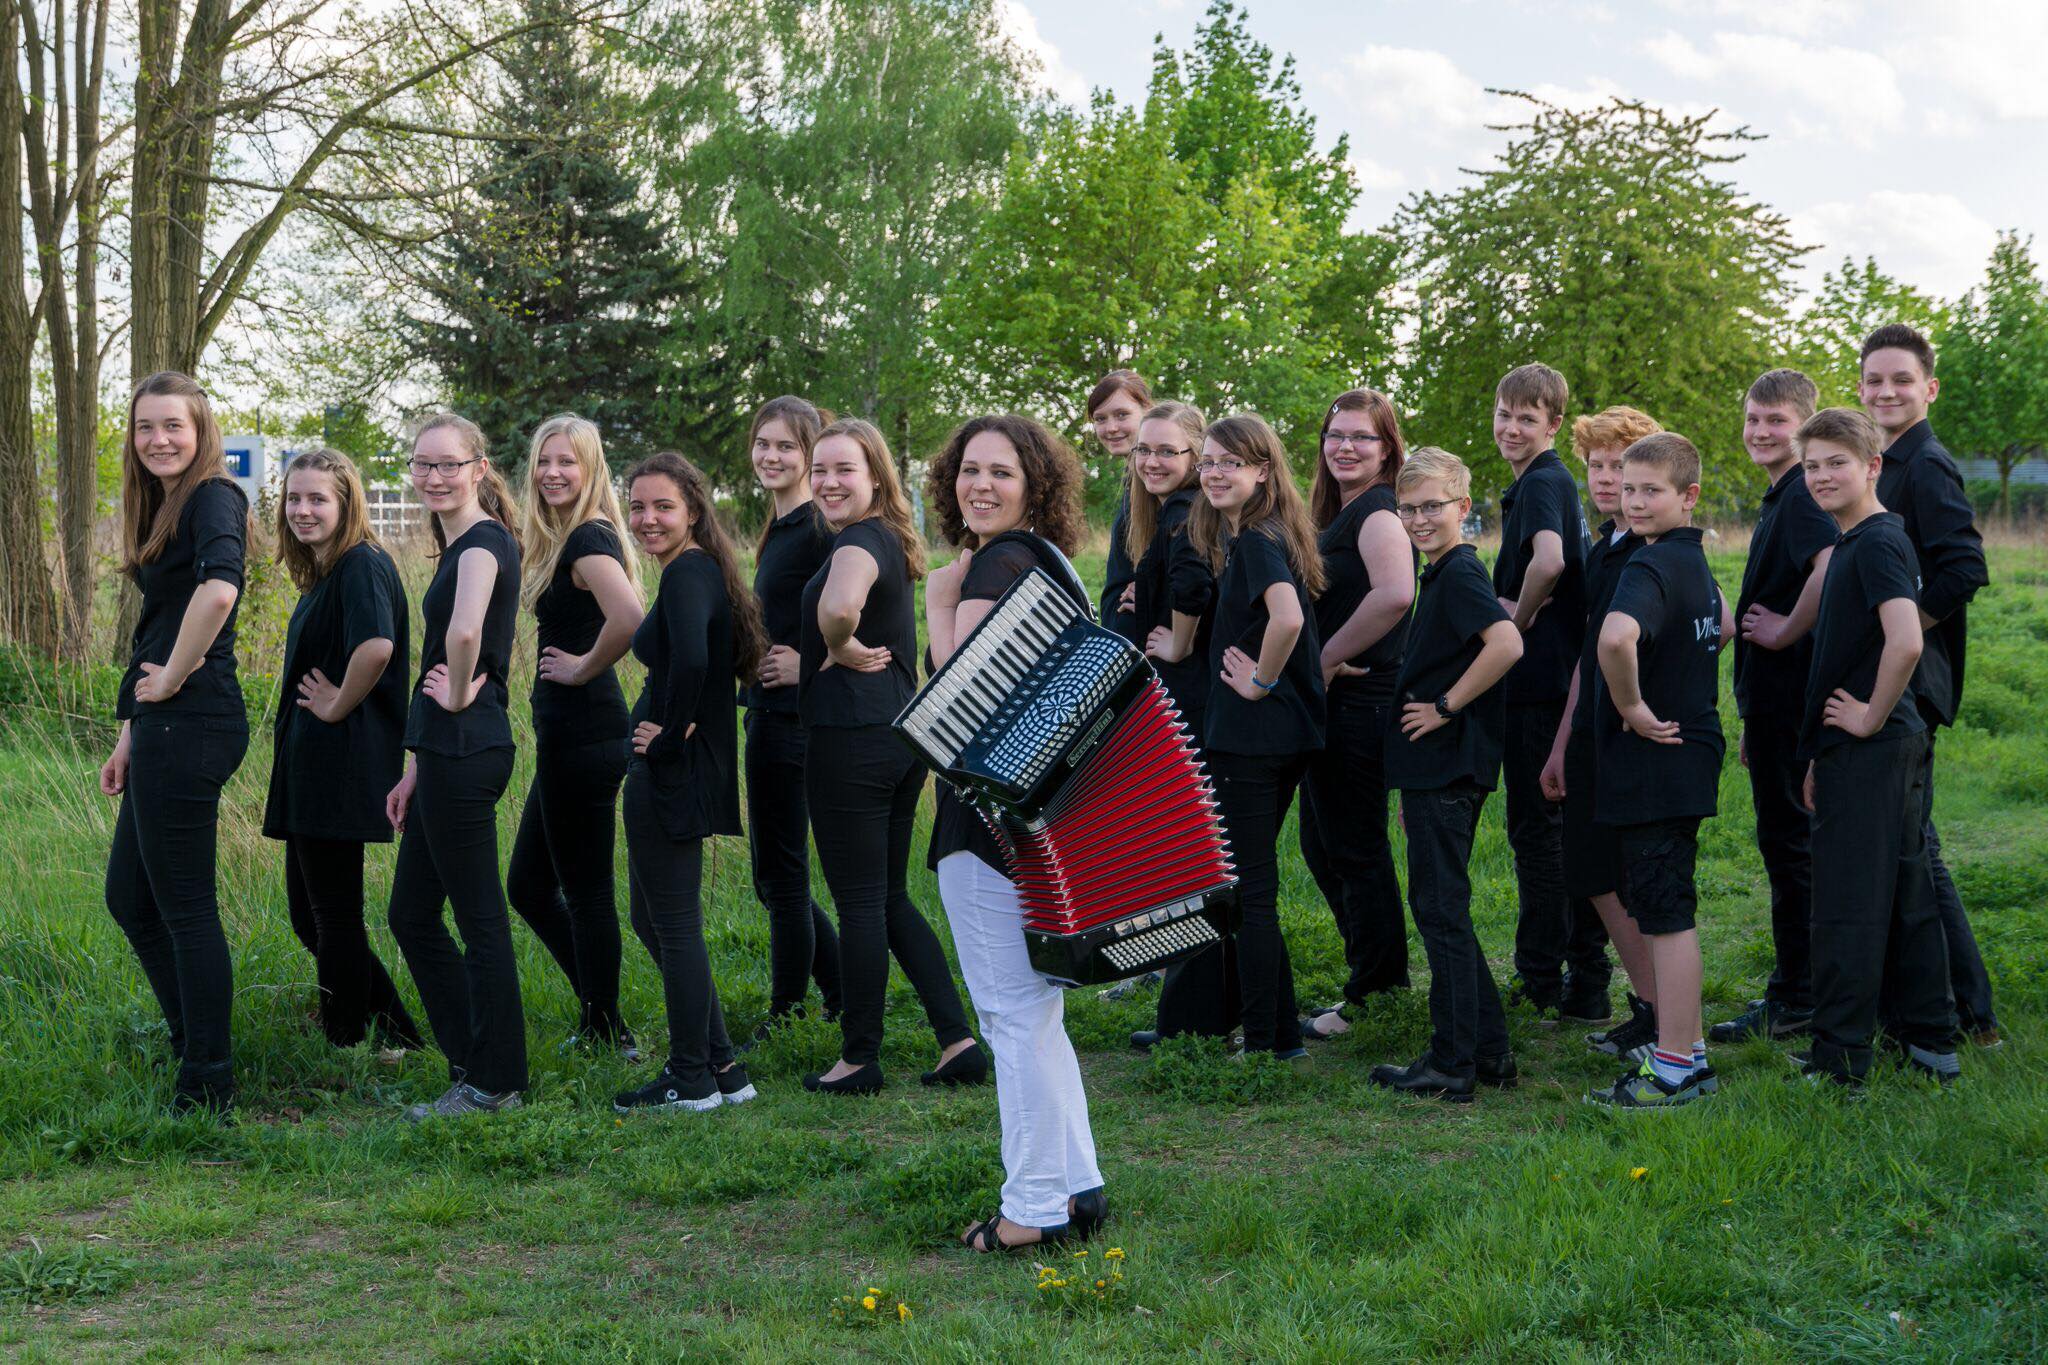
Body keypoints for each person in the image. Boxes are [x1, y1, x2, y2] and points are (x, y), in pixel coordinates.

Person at [923, 414, 1107, 1253]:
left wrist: (935, 600)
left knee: (1010, 1015)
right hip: (1037, 821)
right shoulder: (1053, 564)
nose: (981, 485)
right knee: (1037, 1014)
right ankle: (1075, 1185)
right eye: (969, 469)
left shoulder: (996, 565)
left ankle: (1033, 1207)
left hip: (986, 822)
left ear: (1034, 483)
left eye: (1001, 471)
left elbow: (961, 707)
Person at [798, 418, 980, 1095]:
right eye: (820, 469)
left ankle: (860, 1056)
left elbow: (841, 606)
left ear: (875, 476)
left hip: (849, 738)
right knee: (890, 897)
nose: (827, 481)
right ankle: (956, 1037)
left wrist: (836, 643)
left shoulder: (857, 541)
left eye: (844, 468)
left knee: (859, 906)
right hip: (899, 736)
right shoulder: (890, 538)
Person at [1790, 407, 1958, 1087]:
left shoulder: (1879, 540)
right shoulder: (1862, 539)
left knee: (1847, 902)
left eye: (1837, 461)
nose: (1823, 475)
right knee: (1906, 890)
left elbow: (1907, 638)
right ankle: (1927, 1041)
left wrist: (1864, 718)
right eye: (1812, 465)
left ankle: (1840, 1057)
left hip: (1877, 747)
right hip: (1884, 746)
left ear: (1872, 466)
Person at [101, 372, 253, 1114]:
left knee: (185, 907)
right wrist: (131, 725)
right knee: (130, 896)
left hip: (194, 721)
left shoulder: (214, 495)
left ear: (201, 432)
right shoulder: (166, 504)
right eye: (144, 427)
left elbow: (219, 592)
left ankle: (209, 1080)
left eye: (174, 426)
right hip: (161, 726)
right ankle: (192, 1039)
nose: (158, 439)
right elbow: (157, 627)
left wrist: (171, 681)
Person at [1856, 324, 1999, 1049]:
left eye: (1901, 380)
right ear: (1859, 387)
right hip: (1894, 676)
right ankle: (1942, 1004)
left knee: (1917, 851)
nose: (1887, 391)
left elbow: (1965, 569)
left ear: (1928, 388)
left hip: (1915, 679)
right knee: (1912, 845)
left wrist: (1898, 627)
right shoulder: (1879, 462)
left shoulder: (1927, 465)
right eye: (1875, 380)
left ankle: (1970, 1012)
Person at [611, 453, 768, 1113]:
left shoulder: (686, 574)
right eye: (638, 506)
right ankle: (723, 1065)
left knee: (672, 923)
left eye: (662, 507)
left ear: (694, 509)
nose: (647, 519)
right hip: (683, 767)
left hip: (673, 770)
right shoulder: (700, 570)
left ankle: (688, 1077)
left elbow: (699, 662)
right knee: (656, 915)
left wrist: (669, 734)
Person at [385, 413, 529, 1122]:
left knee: (477, 919)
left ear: (479, 467)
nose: (435, 477)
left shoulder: (480, 541)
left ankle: (494, 1081)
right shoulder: (460, 544)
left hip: (468, 747)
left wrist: (465, 684)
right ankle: (474, 1061)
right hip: (445, 754)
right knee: (410, 911)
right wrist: (416, 764)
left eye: (449, 464)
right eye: (423, 465)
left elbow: (465, 631)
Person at [1369, 448, 1522, 1101]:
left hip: (1450, 760)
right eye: (1408, 507)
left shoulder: (1459, 572)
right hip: (1434, 769)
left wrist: (1444, 705)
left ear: (1463, 507)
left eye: (1433, 505)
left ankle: (1452, 1060)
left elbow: (1507, 643)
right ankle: (1489, 1051)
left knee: (1440, 909)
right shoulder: (1442, 571)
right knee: (1442, 905)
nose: (1420, 517)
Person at [262, 447, 422, 1055]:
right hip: (314, 765)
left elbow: (377, 647)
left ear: (347, 502)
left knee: (331, 916)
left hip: (340, 761)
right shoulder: (331, 569)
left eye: (317, 499)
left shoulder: (360, 564)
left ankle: (346, 1041)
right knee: (314, 918)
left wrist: (335, 704)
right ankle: (397, 1031)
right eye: (294, 498)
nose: (302, 510)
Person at [1585, 433, 1728, 1110]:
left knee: (1667, 915)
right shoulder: (1693, 559)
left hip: (1657, 761)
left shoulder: (1647, 568)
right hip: (1691, 751)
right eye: (1628, 486)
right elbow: (1723, 625)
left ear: (1688, 495)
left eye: (1651, 489)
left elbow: (1615, 637)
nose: (1634, 499)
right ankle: (1687, 1047)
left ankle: (1676, 1067)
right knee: (1668, 906)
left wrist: (1633, 703)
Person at [1185, 414, 1327, 1063]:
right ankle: (1286, 1037)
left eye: (1230, 463)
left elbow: (1288, 618)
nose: (1215, 472)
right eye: (1209, 461)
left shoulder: (1258, 542)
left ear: (1263, 471)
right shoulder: (1260, 534)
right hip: (1276, 736)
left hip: (1253, 737)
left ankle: (1266, 1043)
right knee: (1252, 882)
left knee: (1251, 890)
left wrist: (1260, 682)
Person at [506, 414, 644, 1057]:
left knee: (585, 890)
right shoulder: (565, 538)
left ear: (591, 472)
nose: (553, 472)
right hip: (570, 738)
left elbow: (630, 618)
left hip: (586, 735)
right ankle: (601, 1013)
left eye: (568, 462)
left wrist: (585, 665)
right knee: (529, 885)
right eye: (544, 461)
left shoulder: (589, 537)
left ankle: (605, 1028)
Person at [1712, 371, 1839, 1046]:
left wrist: (1787, 628)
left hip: (1794, 705)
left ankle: (1799, 995)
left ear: (1806, 426)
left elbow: (1828, 567)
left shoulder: (1802, 497)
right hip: (1773, 709)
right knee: (1786, 847)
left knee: (1792, 851)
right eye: (1753, 418)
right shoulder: (1782, 494)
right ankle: (1799, 987)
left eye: (1777, 420)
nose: (1761, 431)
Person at [1536, 406, 1662, 1063]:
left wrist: (1640, 703)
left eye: (1623, 464)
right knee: (1592, 872)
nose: (1609, 477)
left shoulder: (1655, 544)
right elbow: (1589, 655)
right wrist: (1562, 742)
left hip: (1633, 741)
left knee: (1631, 878)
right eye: (1599, 465)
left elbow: (1717, 621)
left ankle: (1664, 1017)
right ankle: (1648, 1006)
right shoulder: (1605, 545)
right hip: (1588, 735)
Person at [1488, 363, 1608, 1024]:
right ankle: (1572, 974)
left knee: (1537, 835)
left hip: (1540, 684)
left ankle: (1539, 977)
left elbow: (1552, 562)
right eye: (1504, 415)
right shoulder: (1548, 480)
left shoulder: (1541, 482)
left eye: (1526, 418)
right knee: (1549, 831)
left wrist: (1515, 620)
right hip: (1553, 681)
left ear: (1553, 424)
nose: (1511, 428)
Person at [1297, 389, 1416, 1040]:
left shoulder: (1377, 510)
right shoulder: (1338, 510)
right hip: (1335, 702)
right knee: (1324, 841)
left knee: (1354, 845)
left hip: (1363, 699)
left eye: (1361, 437)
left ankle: (1377, 988)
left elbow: (1396, 594)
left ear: (1387, 449)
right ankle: (1374, 973)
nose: (1345, 446)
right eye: (1335, 434)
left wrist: (1323, 658)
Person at [1122, 401, 1236, 1050]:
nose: (1152, 461)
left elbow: (1192, 589)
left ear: (1195, 456)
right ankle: (1204, 1010)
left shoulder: (1180, 514)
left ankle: (1192, 1021)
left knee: (1190, 858)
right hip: (1199, 703)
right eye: (1144, 450)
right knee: (1200, 857)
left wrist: (1178, 641)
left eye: (1167, 450)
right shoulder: (1191, 512)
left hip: (1187, 703)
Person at [742, 396, 844, 1034]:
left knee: (781, 875)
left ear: (811, 455)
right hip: (766, 713)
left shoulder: (818, 528)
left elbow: (868, 609)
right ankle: (838, 993)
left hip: (795, 720)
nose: (771, 456)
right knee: (774, 874)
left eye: (786, 447)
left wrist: (811, 664)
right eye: (763, 444)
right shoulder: (780, 528)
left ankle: (787, 1014)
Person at [1091, 369, 1154, 644]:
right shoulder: (1133, 478)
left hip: (1145, 639)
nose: (1110, 428)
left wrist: (1157, 587)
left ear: (1147, 411)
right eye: (1100, 419)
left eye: (1121, 415)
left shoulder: (1157, 479)